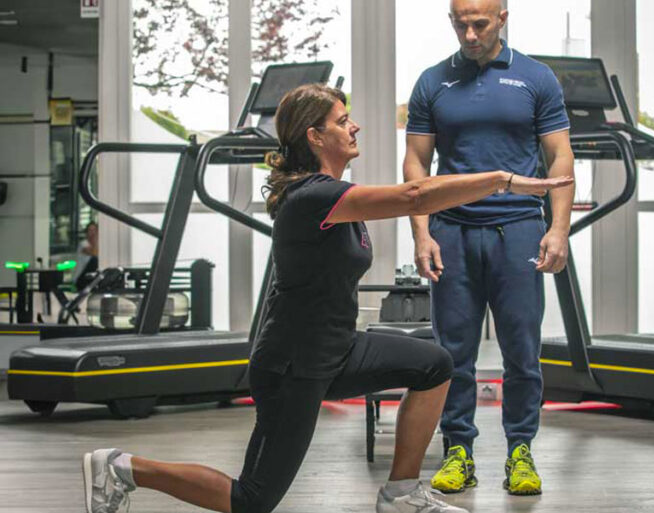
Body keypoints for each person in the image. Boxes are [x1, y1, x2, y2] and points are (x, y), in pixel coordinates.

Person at [82, 84, 571, 513]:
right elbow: (414, 196)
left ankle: (401, 493)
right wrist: (502, 180)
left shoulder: (333, 191)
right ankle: (123, 468)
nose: (354, 126)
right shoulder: (312, 197)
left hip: (339, 347)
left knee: (434, 364)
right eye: (342, 121)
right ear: (315, 137)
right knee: (252, 498)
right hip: (294, 363)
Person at [404, 0, 575, 497]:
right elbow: (416, 163)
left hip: (519, 228)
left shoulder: (536, 78)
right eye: (461, 24)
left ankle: (520, 450)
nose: (470, 33)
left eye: (479, 23)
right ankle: (459, 449)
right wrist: (421, 232)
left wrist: (558, 228)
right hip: (451, 230)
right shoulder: (433, 81)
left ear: (503, 17)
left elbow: (559, 154)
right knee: (451, 352)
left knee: (522, 351)